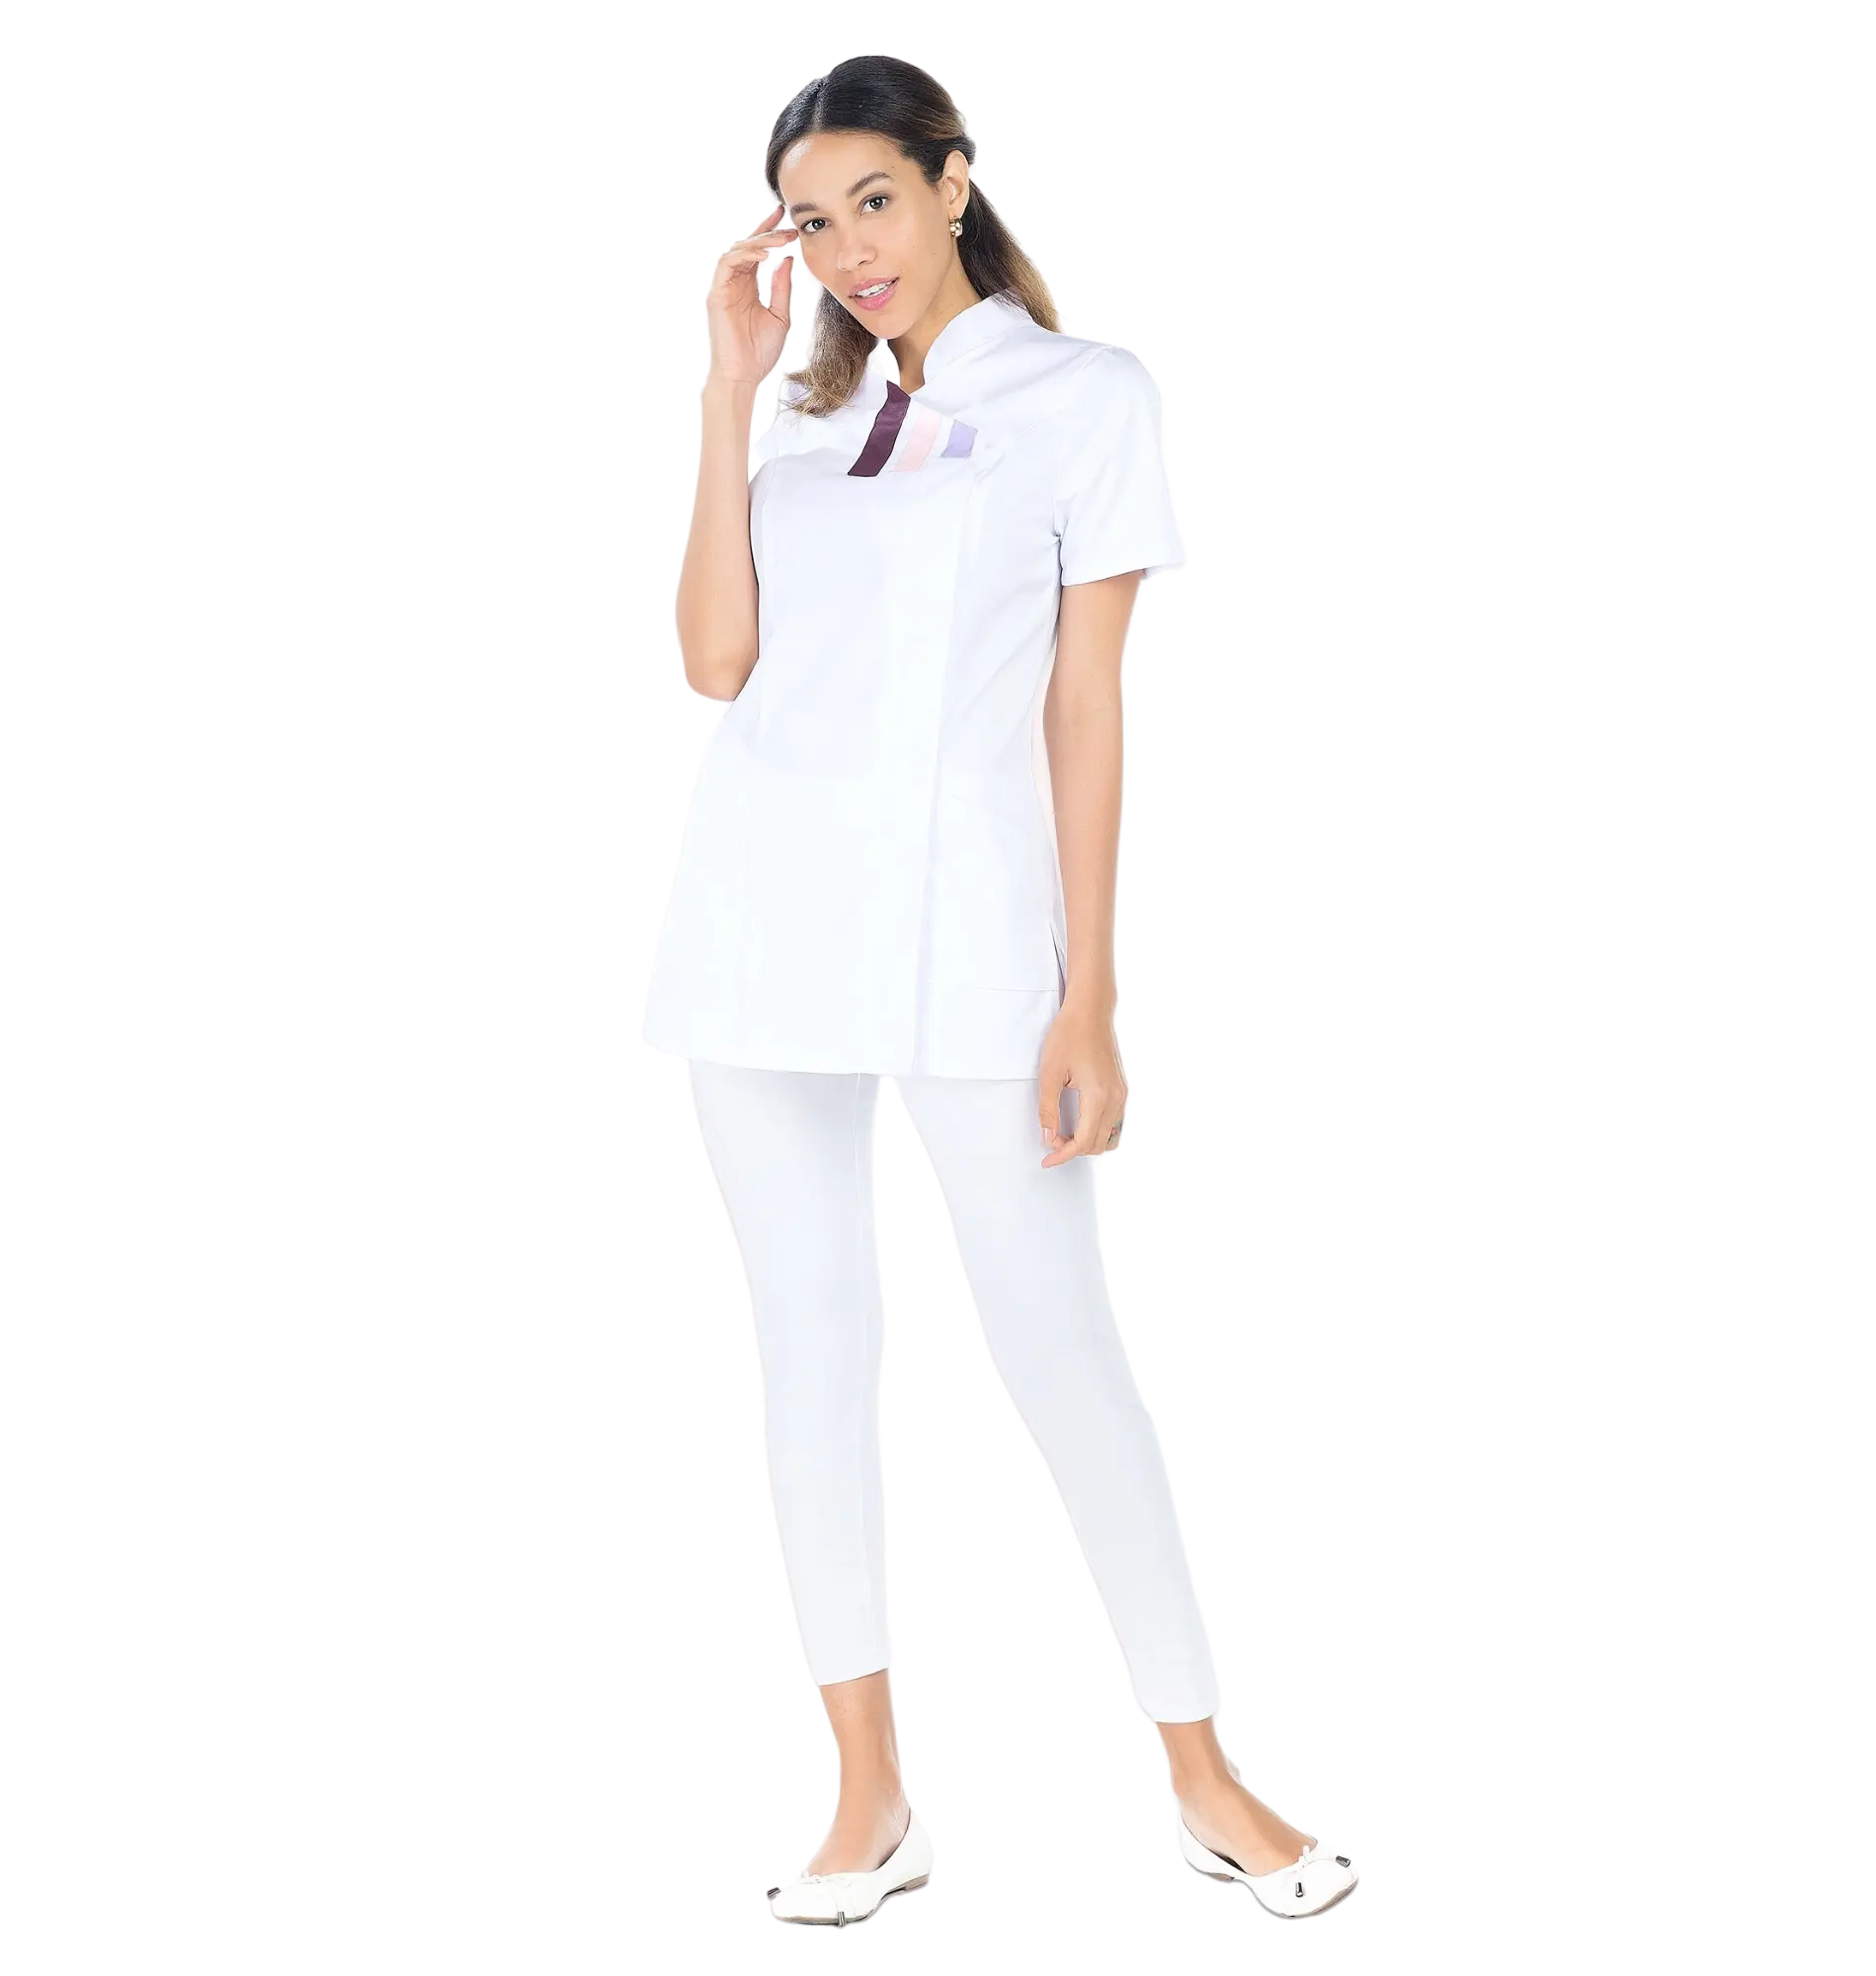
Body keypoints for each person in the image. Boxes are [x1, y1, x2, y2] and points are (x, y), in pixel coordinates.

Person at [640, 54, 1360, 1927]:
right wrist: (730, 389)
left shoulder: (1089, 397)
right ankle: (868, 1800)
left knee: (1057, 1345)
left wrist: (1089, 994)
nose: (850, 250)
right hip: (761, 934)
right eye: (813, 222)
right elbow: (714, 662)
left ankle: (1203, 1775)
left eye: (875, 201)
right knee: (809, 1352)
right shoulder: (796, 432)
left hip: (977, 941)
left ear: (955, 183)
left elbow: (1085, 709)